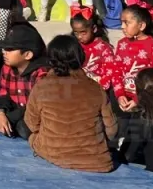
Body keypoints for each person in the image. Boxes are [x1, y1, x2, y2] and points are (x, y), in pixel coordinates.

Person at [25, 34, 118, 173]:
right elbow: (112, 130)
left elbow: (31, 122)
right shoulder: (95, 88)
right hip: (96, 162)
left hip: (53, 153)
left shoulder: (42, 86)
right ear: (80, 57)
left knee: (33, 138)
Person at [0, 23, 49, 139]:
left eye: (10, 49)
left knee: (24, 128)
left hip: (41, 118)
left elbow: (35, 107)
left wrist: (9, 118)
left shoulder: (42, 73)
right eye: (4, 48)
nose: (4, 52)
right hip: (18, 113)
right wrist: (0, 114)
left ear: (27, 55)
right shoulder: (7, 68)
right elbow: (3, 93)